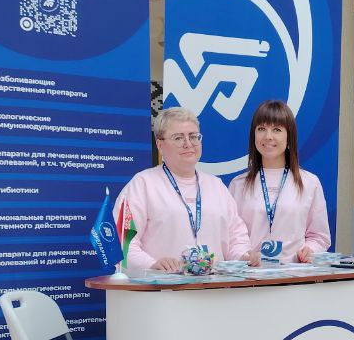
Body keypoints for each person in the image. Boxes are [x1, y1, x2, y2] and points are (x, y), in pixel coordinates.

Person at [123, 108, 257, 272]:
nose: (188, 144)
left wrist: (243, 257)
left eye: (193, 136)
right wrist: (151, 264)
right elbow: (124, 241)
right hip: (163, 284)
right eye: (178, 138)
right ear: (160, 144)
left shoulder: (216, 186)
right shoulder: (143, 184)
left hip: (215, 285)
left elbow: (236, 236)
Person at [229, 99, 331, 264]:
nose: (268, 136)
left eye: (276, 129)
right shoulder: (238, 184)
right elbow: (232, 236)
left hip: (295, 274)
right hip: (251, 274)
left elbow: (319, 236)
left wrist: (310, 250)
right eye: (261, 129)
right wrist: (244, 256)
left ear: (289, 136)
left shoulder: (309, 183)